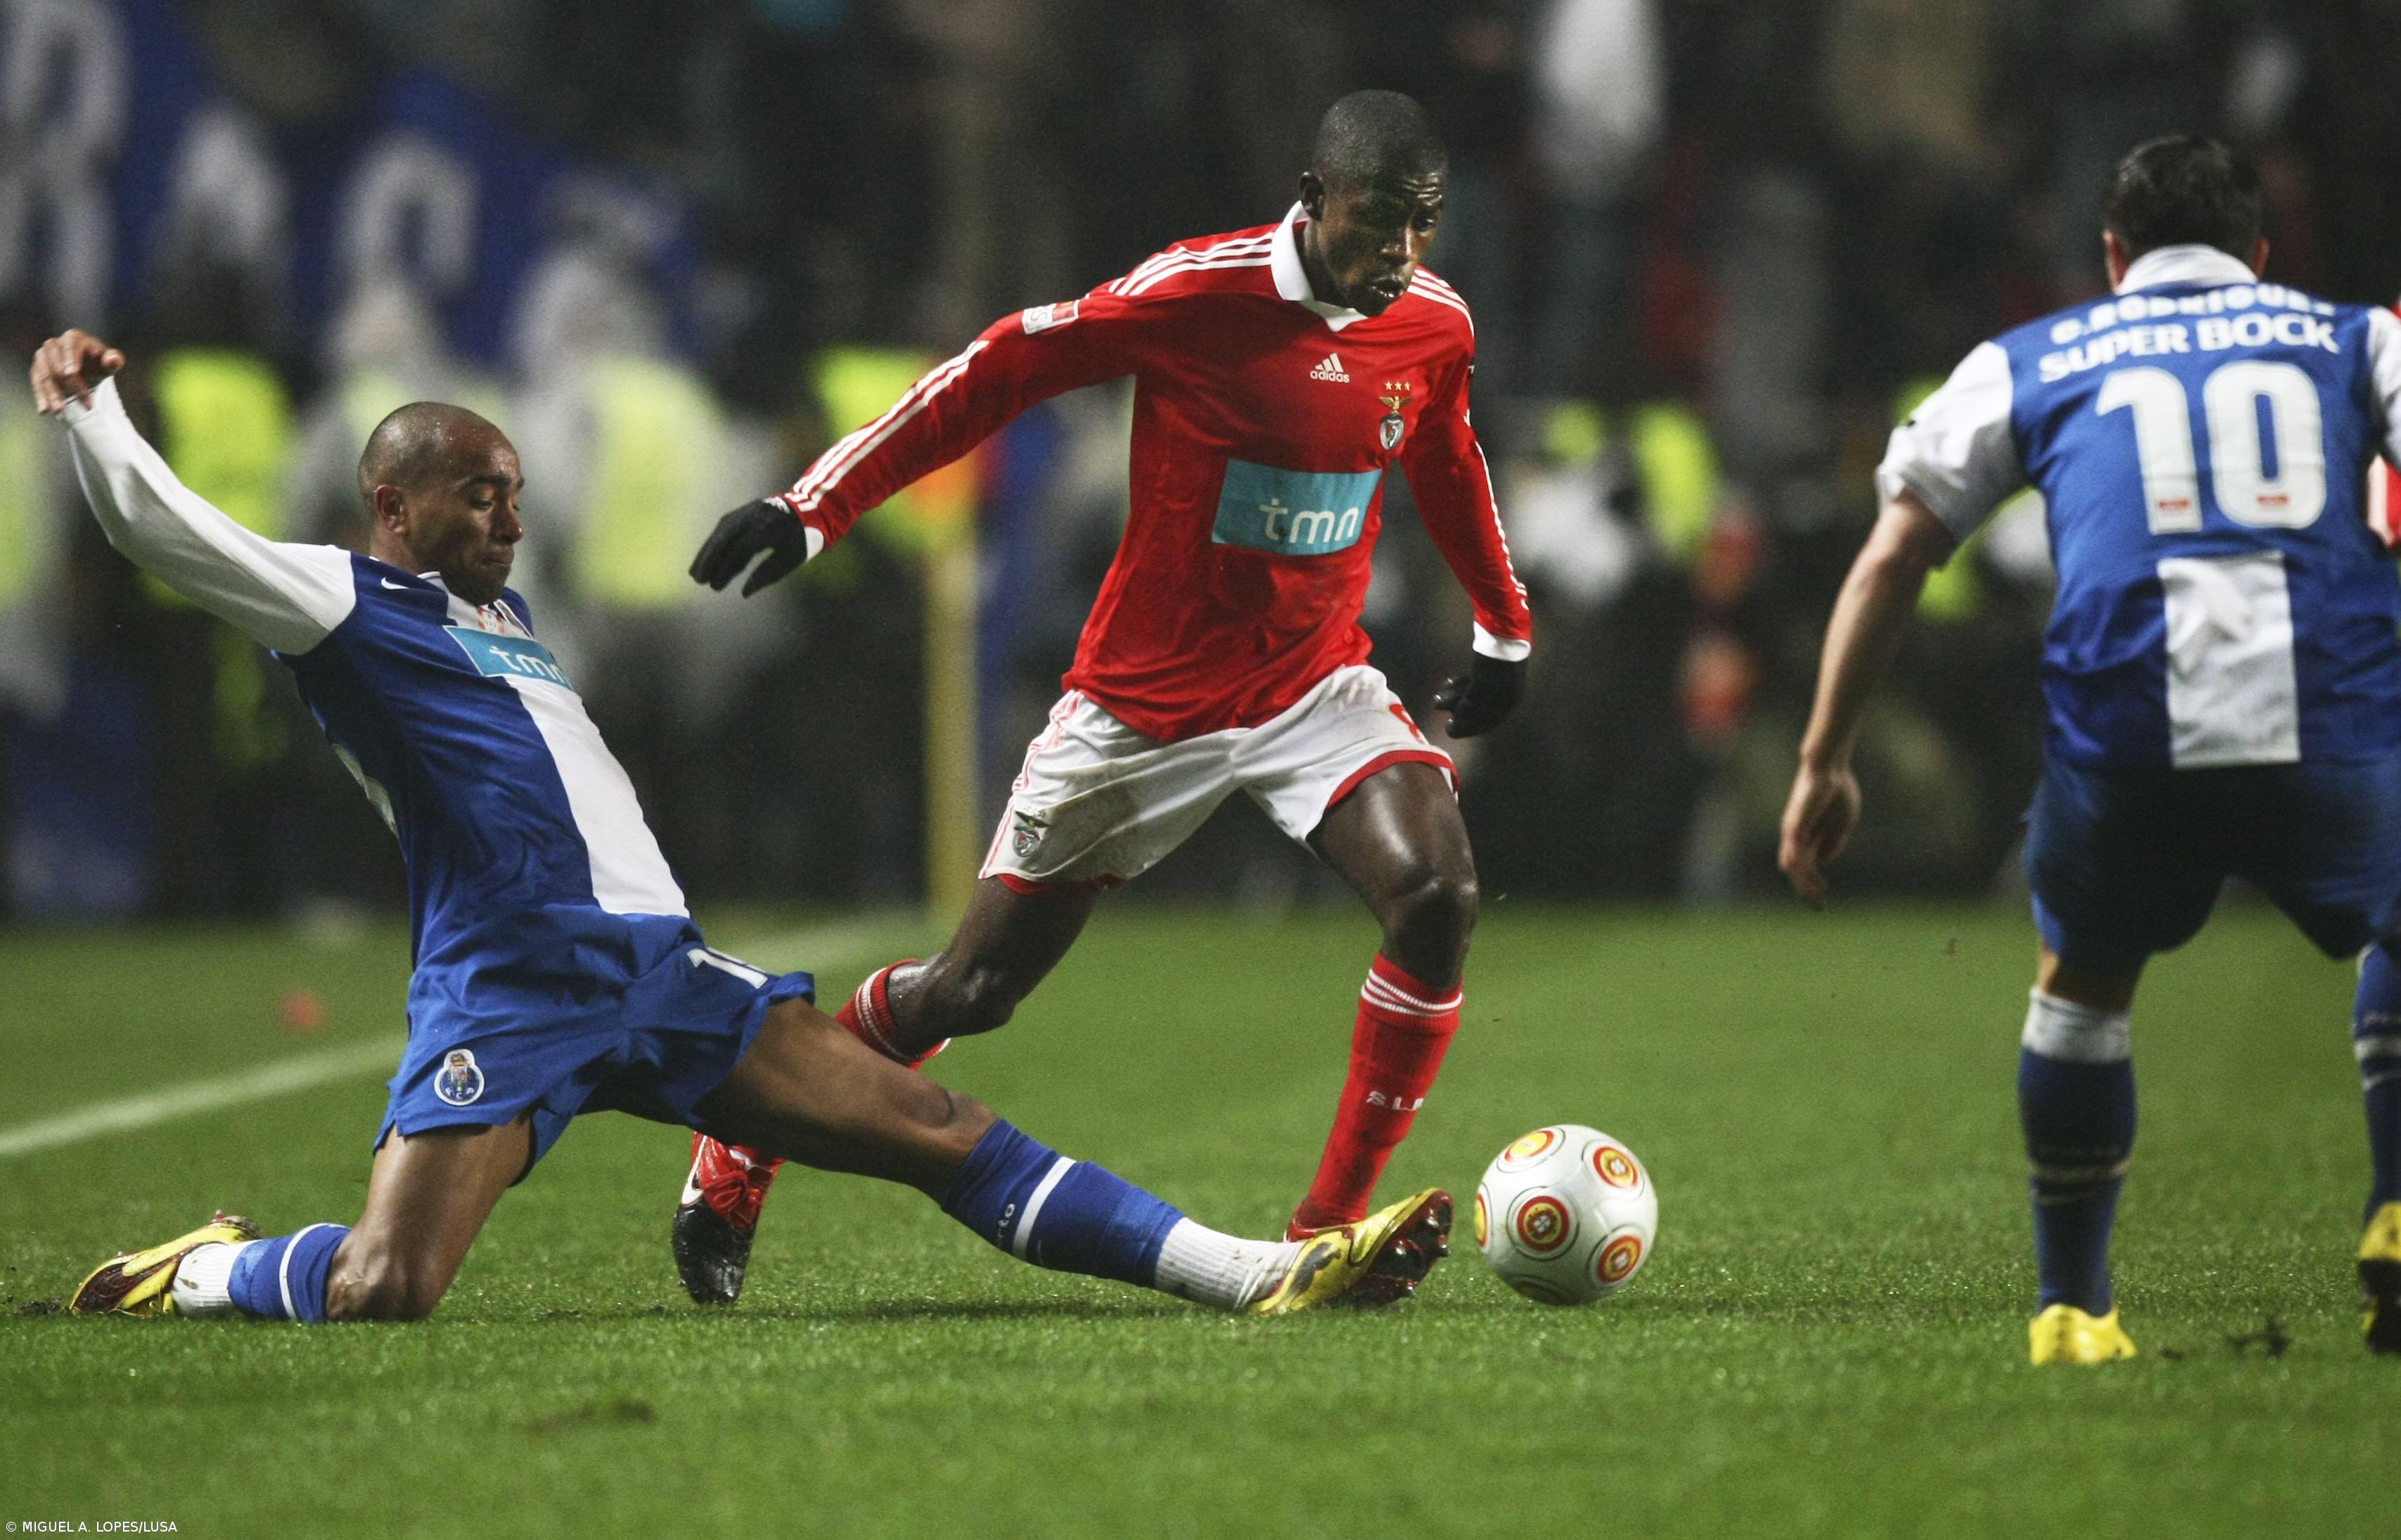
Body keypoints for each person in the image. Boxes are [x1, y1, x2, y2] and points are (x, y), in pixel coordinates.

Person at [33, 329, 1451, 1325]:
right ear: (388, 500)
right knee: (386, 1287)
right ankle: (205, 1270)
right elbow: (167, 534)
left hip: (663, 972)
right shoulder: (341, 601)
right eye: (478, 493)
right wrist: (95, 412)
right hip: (512, 991)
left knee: (938, 1123)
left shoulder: (510, 620)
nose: (510, 518)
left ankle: (1261, 1271)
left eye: (518, 494)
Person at [675, 90, 1532, 1303]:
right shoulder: (1196, 292)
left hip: (1312, 685)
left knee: (1437, 893)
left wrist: (1502, 628)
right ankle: (745, 1134)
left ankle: (1325, 1229)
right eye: (1377, 219)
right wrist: (814, 504)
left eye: (1422, 223)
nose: (1399, 250)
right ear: (1313, 196)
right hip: (1142, 707)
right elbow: (998, 368)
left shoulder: (1431, 322)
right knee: (968, 993)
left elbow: (1446, 455)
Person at [1776, 136, 2401, 1364]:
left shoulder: (2033, 356)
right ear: (2260, 253)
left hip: (2129, 736)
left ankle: (2072, 1310)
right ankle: (2393, 1199)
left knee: (2082, 985)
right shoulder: (2354, 338)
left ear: (2110, 255)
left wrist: (1821, 761)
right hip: (2326, 713)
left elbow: (1893, 557)